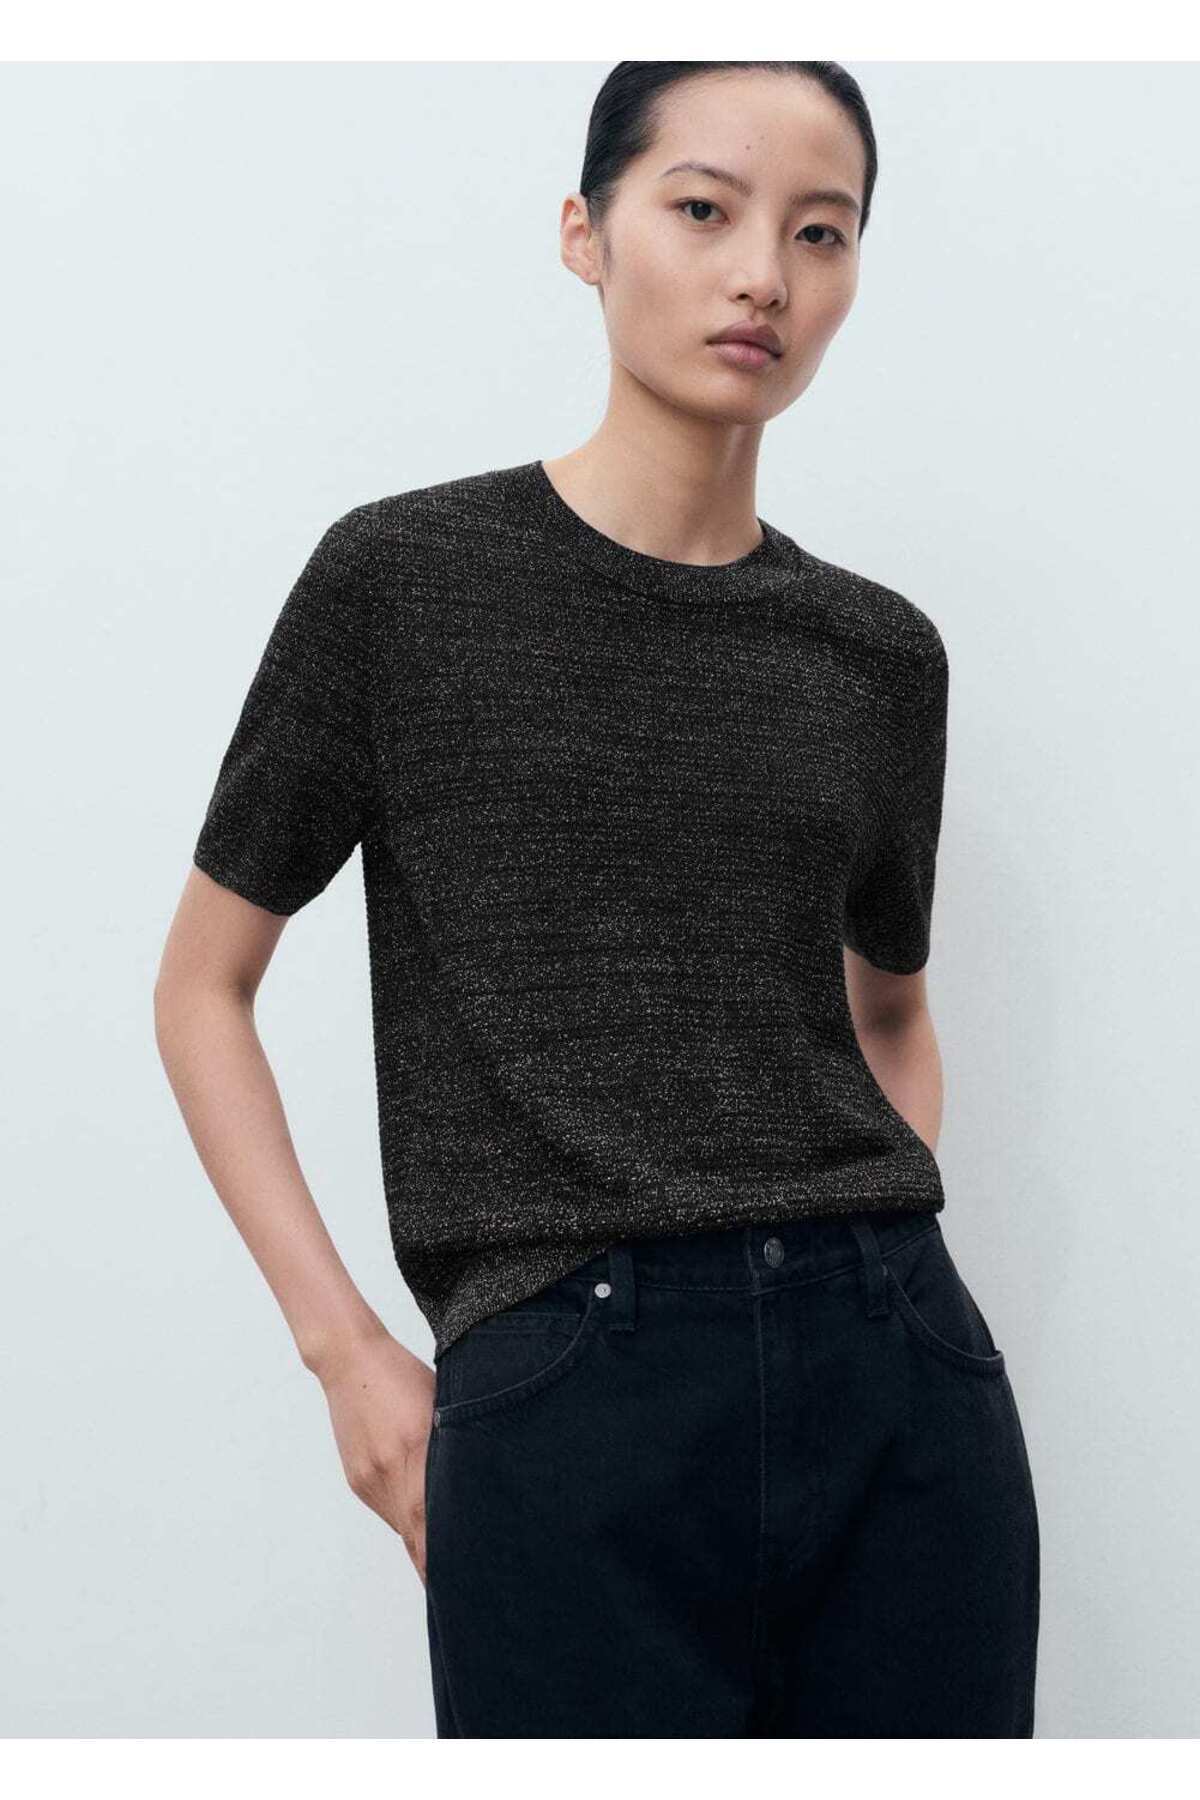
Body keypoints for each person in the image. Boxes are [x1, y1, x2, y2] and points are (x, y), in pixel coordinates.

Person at [155, 60, 1040, 1737]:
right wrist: (346, 1353)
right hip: (569, 1382)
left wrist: (881, 1256)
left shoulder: (876, 655)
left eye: (822, 232)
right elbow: (202, 989)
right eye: (703, 210)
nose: (762, 275)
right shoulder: (403, 584)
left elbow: (893, 1013)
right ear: (586, 232)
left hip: (897, 1380)